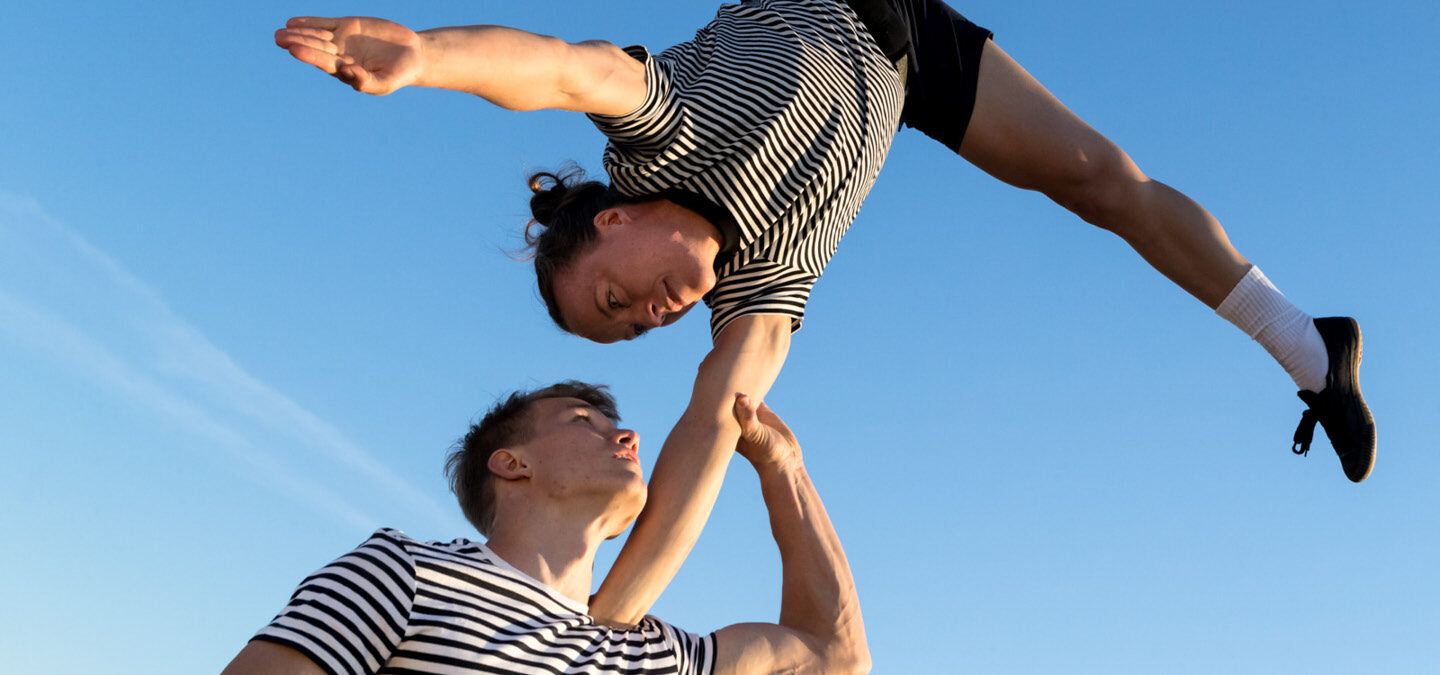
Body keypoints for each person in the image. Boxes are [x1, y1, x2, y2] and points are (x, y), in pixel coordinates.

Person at [274, 0, 1375, 626]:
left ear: (611, 221)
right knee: (1097, 177)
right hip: (915, 56)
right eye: (635, 333)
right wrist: (596, 630)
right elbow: (708, 442)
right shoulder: (761, 287)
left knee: (1103, 180)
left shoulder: (659, 122)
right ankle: (1307, 349)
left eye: (615, 299)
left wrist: (425, 60)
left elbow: (552, 71)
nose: (649, 315)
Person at [220, 382, 869, 675]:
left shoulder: (651, 655)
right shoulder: (408, 573)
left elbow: (835, 657)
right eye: (582, 419)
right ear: (512, 463)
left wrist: (785, 470)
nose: (626, 433)